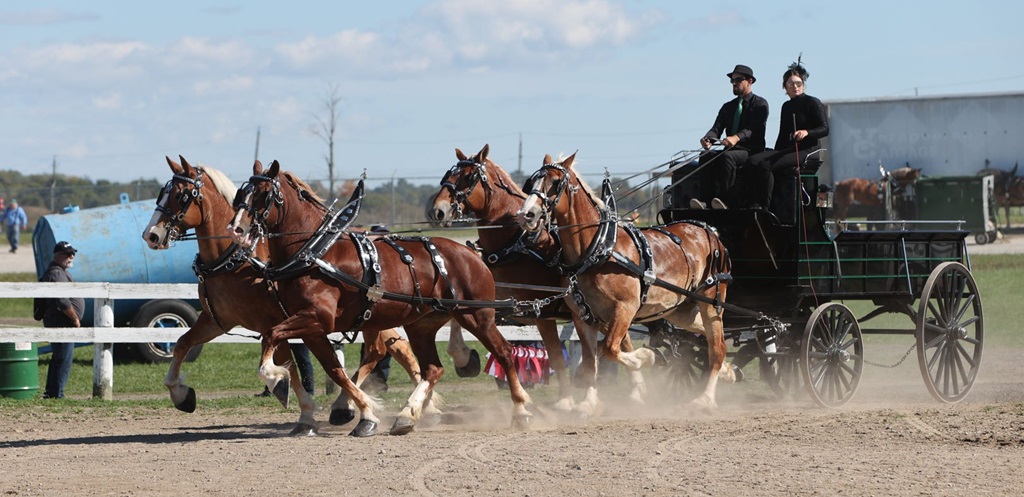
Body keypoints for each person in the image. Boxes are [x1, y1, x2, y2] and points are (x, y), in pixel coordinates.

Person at [747, 59, 829, 210]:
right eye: (791, 84)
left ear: (803, 84)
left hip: (809, 150)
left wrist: (806, 132)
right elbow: (782, 133)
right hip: (790, 149)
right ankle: (751, 201)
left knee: (766, 165)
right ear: (785, 87)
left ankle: (765, 206)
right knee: (753, 160)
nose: (795, 87)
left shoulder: (813, 102)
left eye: (798, 83)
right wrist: (774, 152)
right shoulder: (786, 106)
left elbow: (824, 129)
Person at [692, 64, 769, 209]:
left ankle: (726, 200)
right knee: (706, 155)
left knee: (728, 157)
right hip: (731, 149)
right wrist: (708, 138)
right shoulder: (728, 107)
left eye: (738, 80)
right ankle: (706, 201)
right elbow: (717, 128)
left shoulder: (760, 104)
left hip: (750, 150)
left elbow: (753, 128)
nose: (734, 83)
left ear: (749, 81)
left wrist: (736, 138)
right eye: (732, 81)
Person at [40, 241, 85, 399]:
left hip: (60, 321)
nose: (71, 256)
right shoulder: (57, 273)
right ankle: (56, 394)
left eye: (73, 253)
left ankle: (52, 392)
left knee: (59, 357)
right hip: (62, 322)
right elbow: (62, 301)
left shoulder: (61, 271)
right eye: (67, 254)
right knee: (63, 359)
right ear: (58, 255)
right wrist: (75, 319)